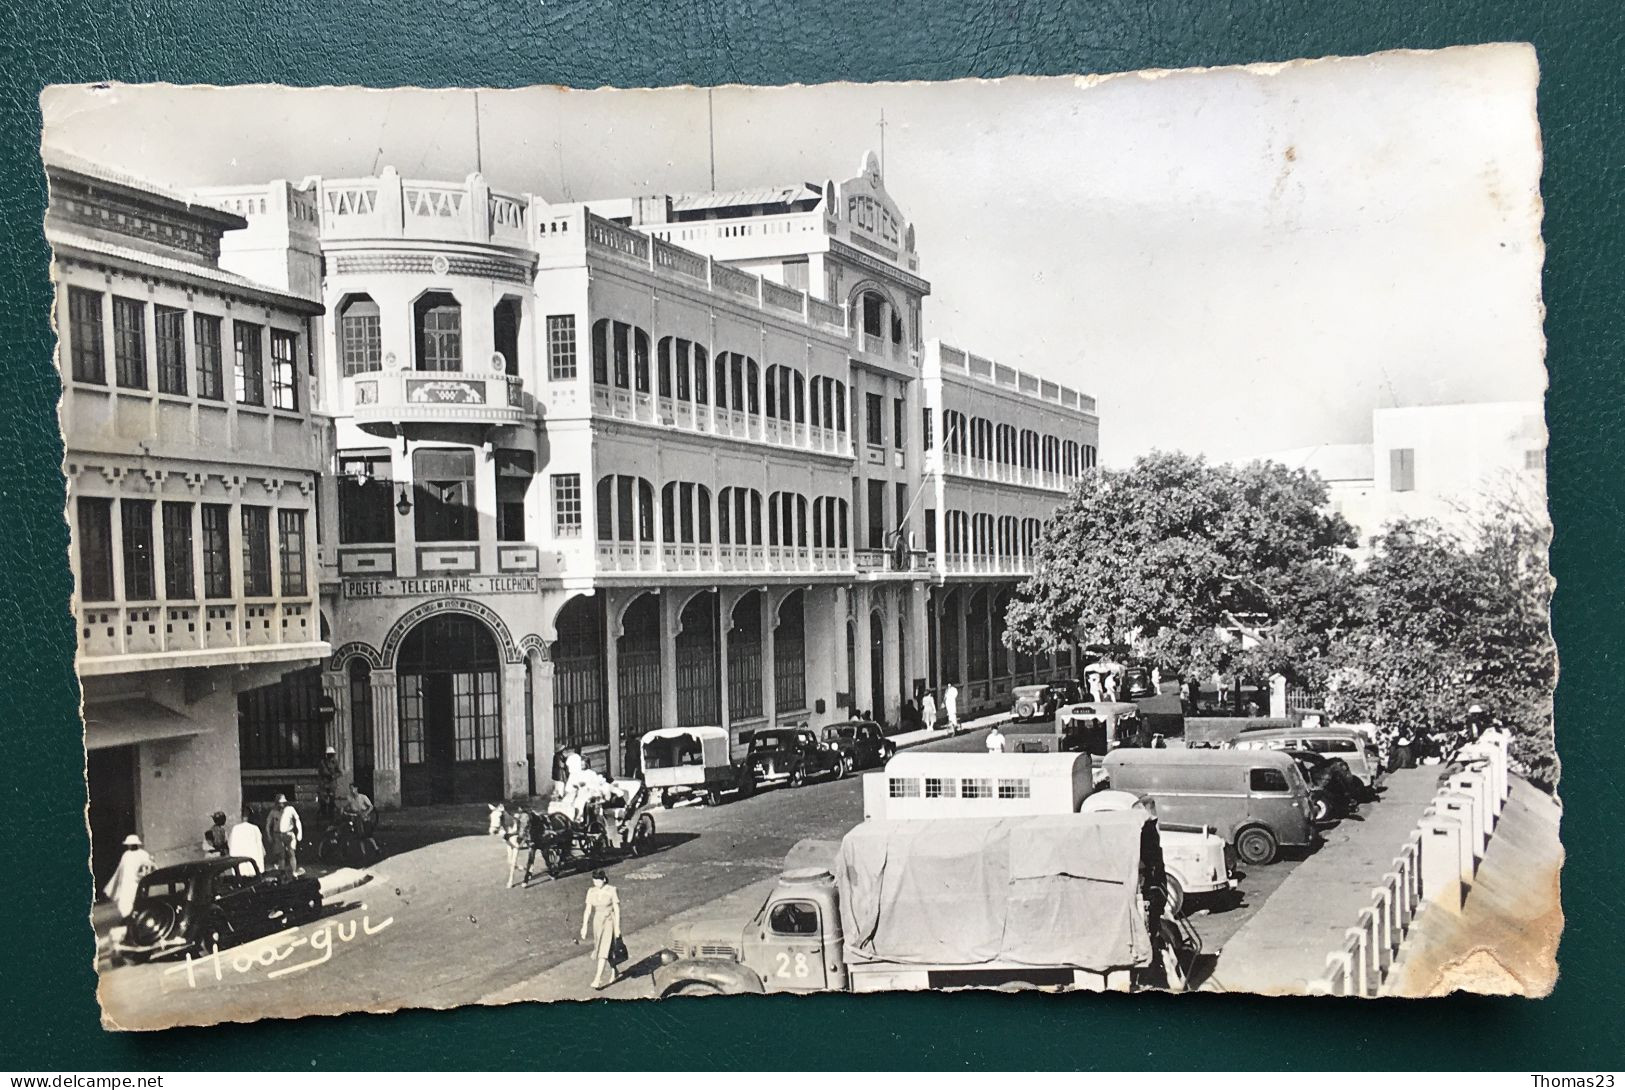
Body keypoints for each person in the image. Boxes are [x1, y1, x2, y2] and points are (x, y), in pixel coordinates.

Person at [578, 868, 623, 990]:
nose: (596, 883)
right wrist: (584, 926)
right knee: (604, 949)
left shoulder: (612, 890)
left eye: (598, 880)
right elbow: (588, 910)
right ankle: (615, 970)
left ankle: (597, 979)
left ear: (604, 879)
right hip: (597, 922)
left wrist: (617, 927)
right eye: (594, 881)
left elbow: (617, 910)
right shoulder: (591, 891)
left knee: (603, 950)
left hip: (609, 921)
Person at [102, 834, 154, 919]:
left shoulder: (143, 854)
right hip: (127, 883)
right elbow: (120, 870)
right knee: (124, 902)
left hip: (138, 882)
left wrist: (143, 875)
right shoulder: (126, 855)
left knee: (137, 900)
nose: (130, 846)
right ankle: (129, 918)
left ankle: (137, 917)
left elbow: (150, 866)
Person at [227, 806, 266, 872]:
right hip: (252, 865)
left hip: (239, 865)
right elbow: (260, 845)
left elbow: (230, 844)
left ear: (241, 817)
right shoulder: (255, 828)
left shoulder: (236, 828)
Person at [275, 793, 304, 876]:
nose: (282, 804)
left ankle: (294, 871)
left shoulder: (290, 809)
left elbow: (297, 819)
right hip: (280, 835)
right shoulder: (275, 811)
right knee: (281, 855)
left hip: (290, 833)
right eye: (280, 802)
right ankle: (282, 873)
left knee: (291, 853)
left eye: (283, 802)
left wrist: (300, 832)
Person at [317, 747, 343, 818]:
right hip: (324, 784)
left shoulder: (335, 762)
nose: (331, 756)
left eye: (332, 755)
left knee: (332, 799)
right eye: (329, 755)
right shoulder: (322, 763)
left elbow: (340, 773)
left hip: (332, 784)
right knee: (323, 800)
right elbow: (321, 773)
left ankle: (331, 815)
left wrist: (334, 776)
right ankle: (323, 813)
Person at [263, 796, 285, 870]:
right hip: (277, 834)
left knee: (286, 853)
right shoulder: (273, 812)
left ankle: (283, 868)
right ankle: (280, 868)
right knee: (279, 853)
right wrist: (269, 835)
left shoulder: (286, 811)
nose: (282, 804)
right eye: (280, 803)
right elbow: (268, 824)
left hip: (286, 833)